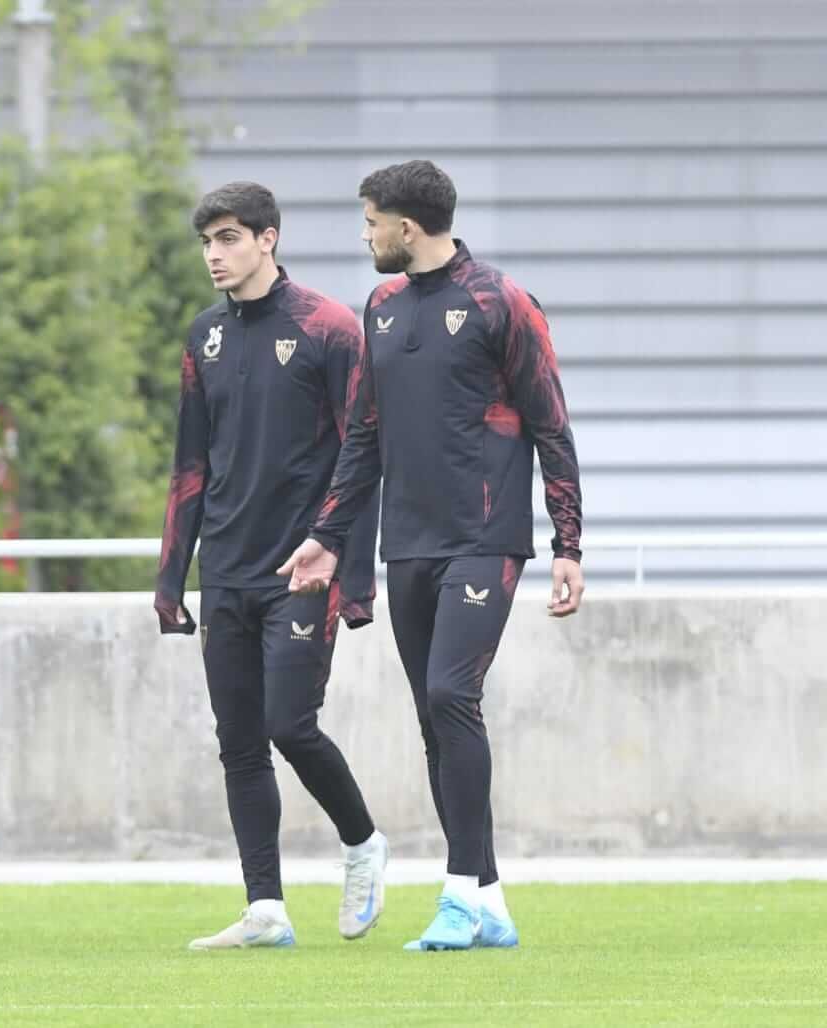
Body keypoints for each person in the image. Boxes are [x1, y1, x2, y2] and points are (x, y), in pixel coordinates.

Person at [279, 160, 585, 951]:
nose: (366, 235)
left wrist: (568, 543)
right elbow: (364, 437)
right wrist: (327, 535)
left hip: (485, 538)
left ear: (406, 227)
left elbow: (551, 426)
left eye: (371, 221)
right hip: (408, 543)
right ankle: (491, 905)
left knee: (452, 695)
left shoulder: (501, 301)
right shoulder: (381, 307)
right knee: (433, 719)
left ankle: (456, 896)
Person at [155, 181, 389, 951]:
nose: (214, 254)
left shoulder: (329, 328)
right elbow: (191, 463)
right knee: (239, 741)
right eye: (206, 241)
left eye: (228, 238)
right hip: (225, 567)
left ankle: (363, 845)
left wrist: (346, 563)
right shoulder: (204, 337)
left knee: (289, 724)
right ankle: (266, 908)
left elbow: (364, 453)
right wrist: (171, 573)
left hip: (302, 568)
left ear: (268, 239)